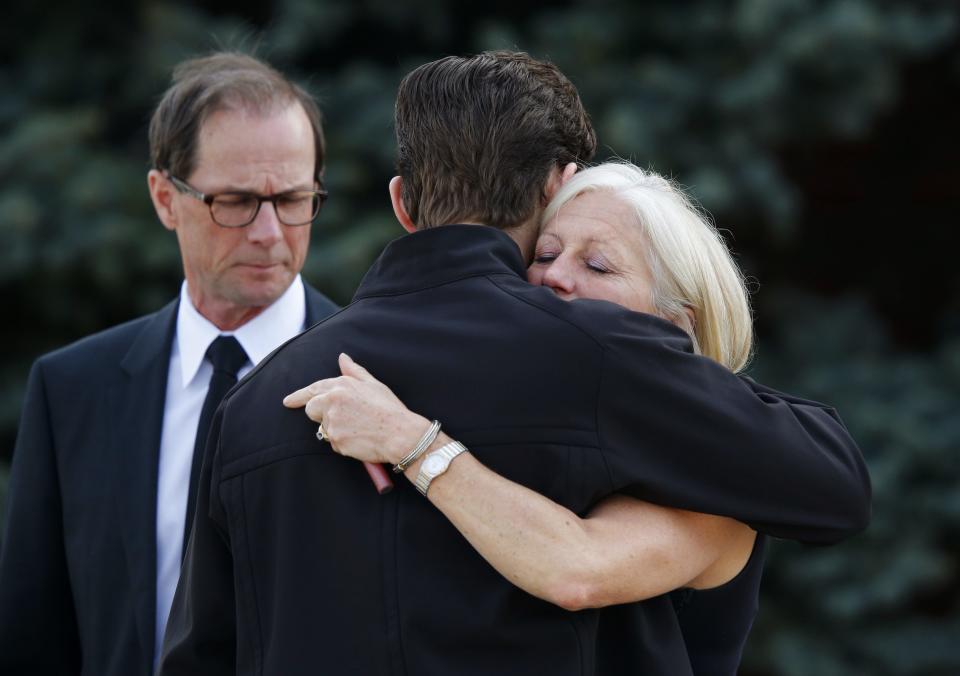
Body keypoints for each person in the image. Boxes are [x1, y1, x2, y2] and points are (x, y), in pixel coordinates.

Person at [159, 51, 869, 676]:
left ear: (403, 204)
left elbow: (200, 659)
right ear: (557, 185)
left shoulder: (252, 405)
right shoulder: (594, 355)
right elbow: (835, 485)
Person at [284, 161, 773, 674]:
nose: (555, 277)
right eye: (545, 253)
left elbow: (575, 572)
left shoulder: (717, 479)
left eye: (599, 266)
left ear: (674, 327)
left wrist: (408, 439)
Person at [0, 52, 339, 676]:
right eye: (236, 202)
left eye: (293, 198)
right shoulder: (72, 389)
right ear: (164, 198)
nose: (269, 231)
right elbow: (32, 633)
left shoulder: (375, 378)